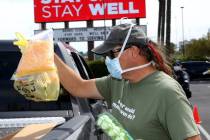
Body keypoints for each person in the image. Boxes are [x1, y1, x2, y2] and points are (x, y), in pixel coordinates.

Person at [54, 23, 201, 140]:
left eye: (113, 53)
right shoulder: (117, 82)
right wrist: (49, 54)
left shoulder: (167, 92)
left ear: (134, 51)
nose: (108, 59)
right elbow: (78, 87)